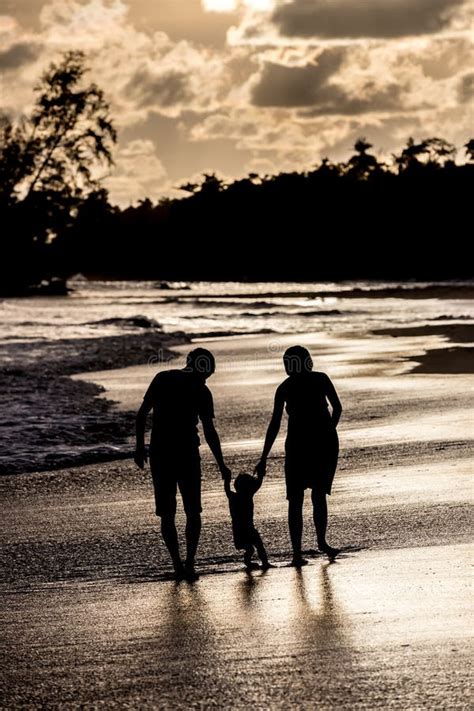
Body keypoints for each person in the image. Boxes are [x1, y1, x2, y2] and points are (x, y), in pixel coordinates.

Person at [134, 348, 231, 581]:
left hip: (160, 453)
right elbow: (209, 431)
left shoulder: (162, 378)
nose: (207, 378)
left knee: (167, 513)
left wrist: (139, 447)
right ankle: (189, 563)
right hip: (187, 454)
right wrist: (221, 464)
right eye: (207, 372)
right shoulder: (201, 390)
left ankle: (179, 564)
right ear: (203, 368)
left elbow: (142, 414)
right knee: (192, 510)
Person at [255, 345, 342, 564]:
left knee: (296, 499)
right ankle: (321, 543)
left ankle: (297, 553)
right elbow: (337, 408)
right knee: (318, 496)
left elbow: (274, 424)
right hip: (322, 444)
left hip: (298, 446)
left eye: (288, 362)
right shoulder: (321, 379)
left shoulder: (285, 387)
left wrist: (264, 457)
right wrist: (328, 431)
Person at [224, 471, 271, 571]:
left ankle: (249, 562)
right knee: (258, 546)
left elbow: (227, 489)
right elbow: (258, 483)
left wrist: (227, 479)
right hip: (248, 528)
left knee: (250, 549)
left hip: (238, 530)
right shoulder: (247, 496)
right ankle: (264, 563)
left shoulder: (233, 497)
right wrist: (260, 474)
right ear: (248, 488)